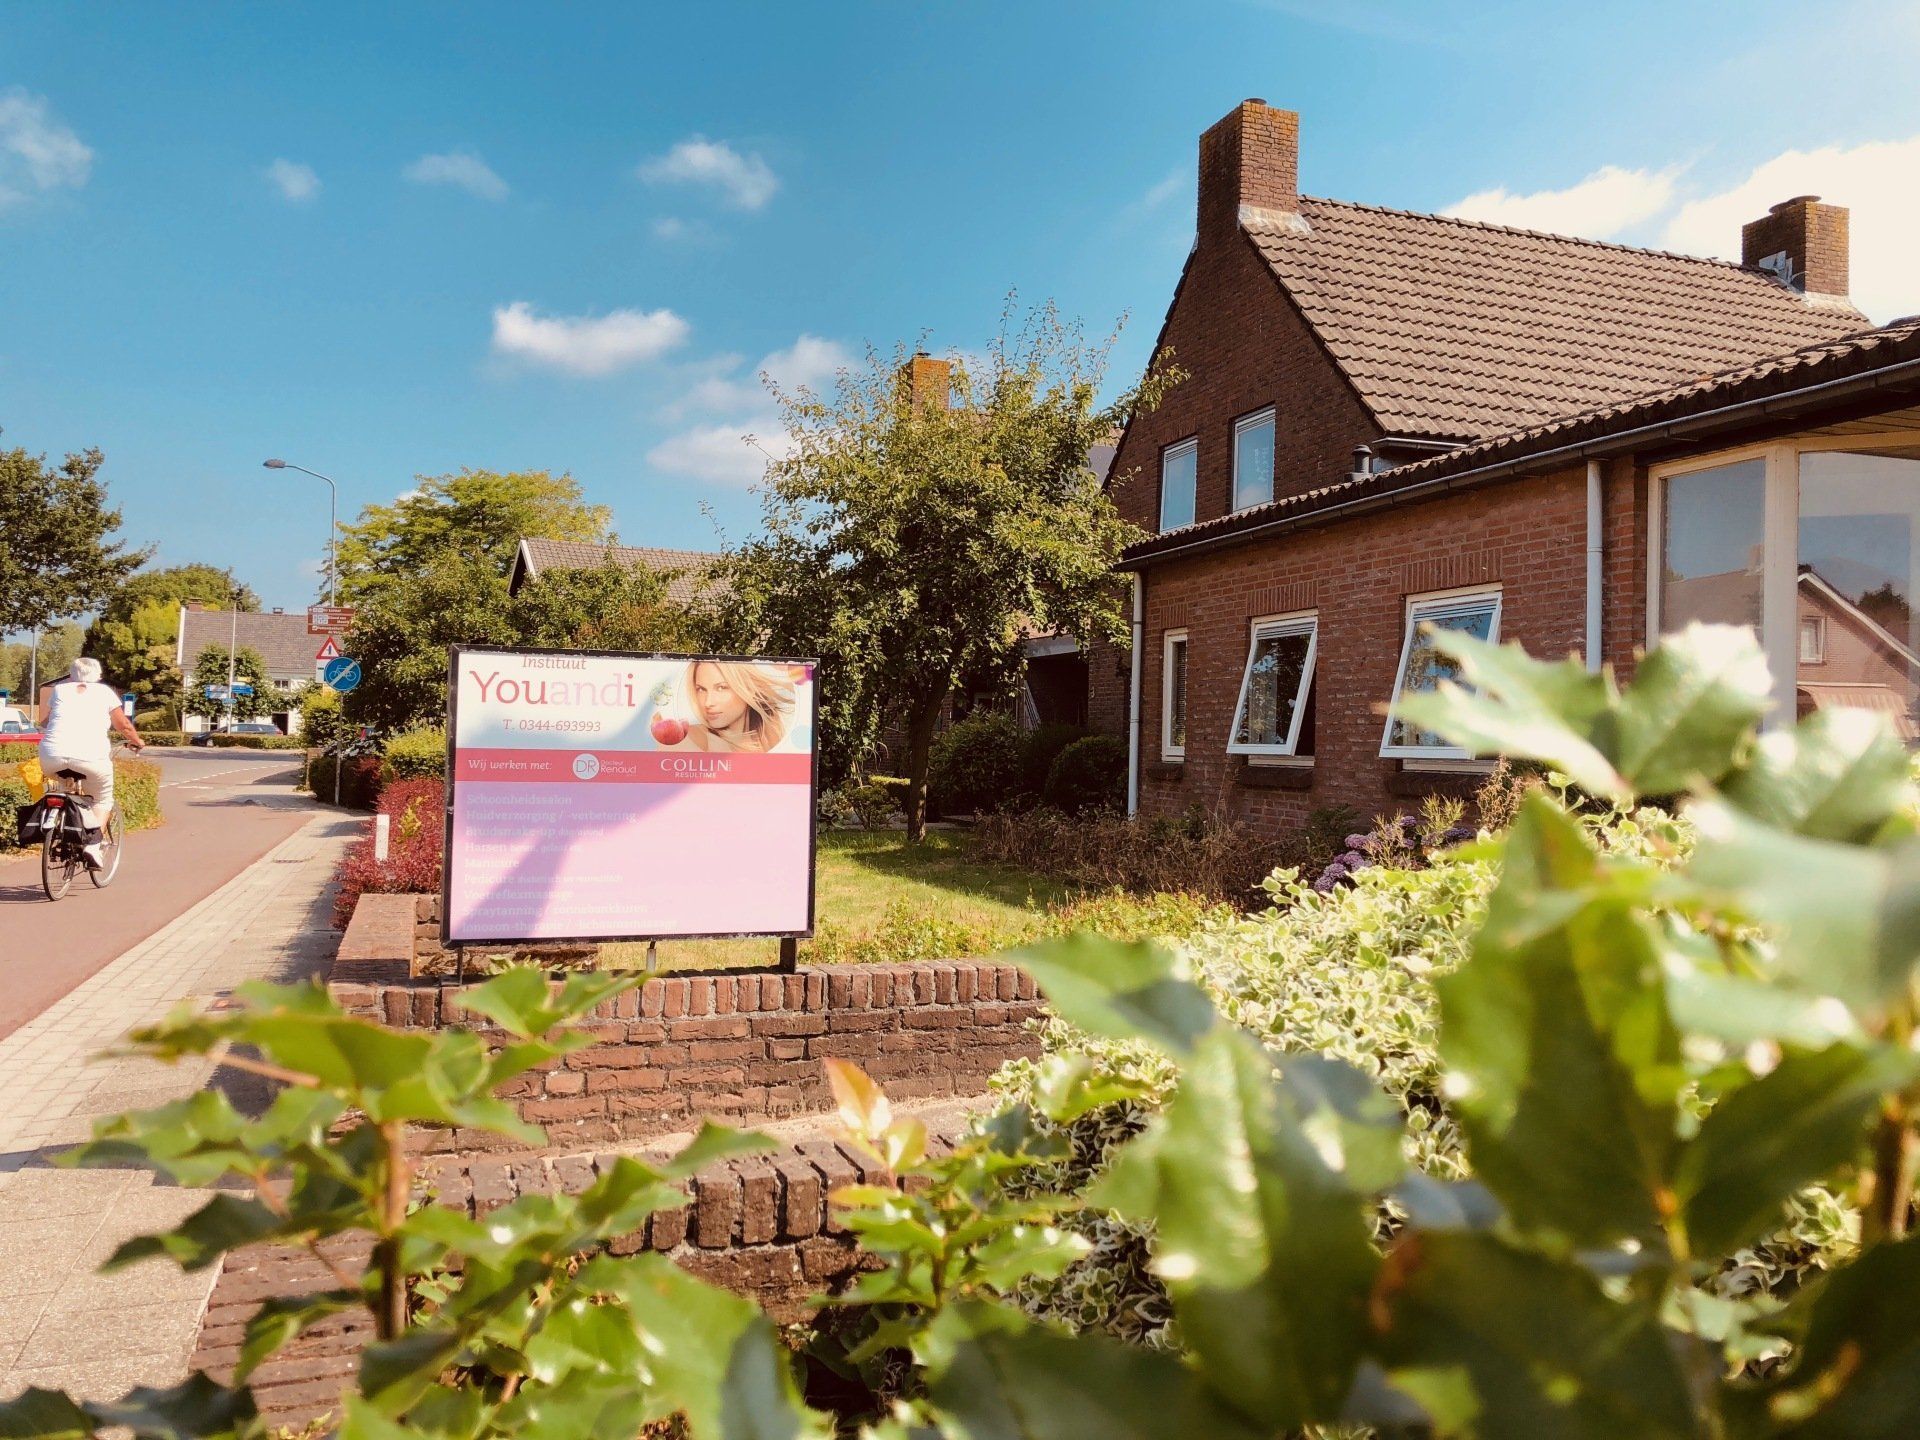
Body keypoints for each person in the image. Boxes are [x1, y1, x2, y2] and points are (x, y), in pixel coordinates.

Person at [38, 658, 145, 868]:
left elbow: (45, 722)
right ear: (99, 677)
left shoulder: (59, 690)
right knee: (103, 798)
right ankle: (93, 846)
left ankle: (60, 825)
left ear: (70, 676)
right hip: (90, 757)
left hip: (51, 756)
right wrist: (137, 742)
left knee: (61, 787)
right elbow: (123, 724)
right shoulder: (104, 692)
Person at [680, 660, 796, 753]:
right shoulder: (695, 737)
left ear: (747, 688)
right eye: (701, 689)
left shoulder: (771, 738)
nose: (708, 702)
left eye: (721, 688)